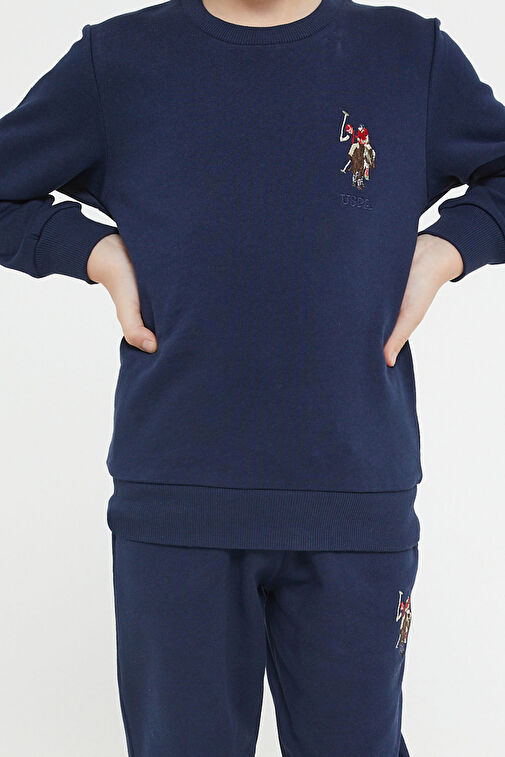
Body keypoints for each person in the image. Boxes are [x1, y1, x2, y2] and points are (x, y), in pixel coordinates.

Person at [1, 1, 504, 755]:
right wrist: (95, 253)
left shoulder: (409, 56)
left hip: (354, 500)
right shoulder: (121, 60)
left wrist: (446, 249)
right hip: (179, 507)